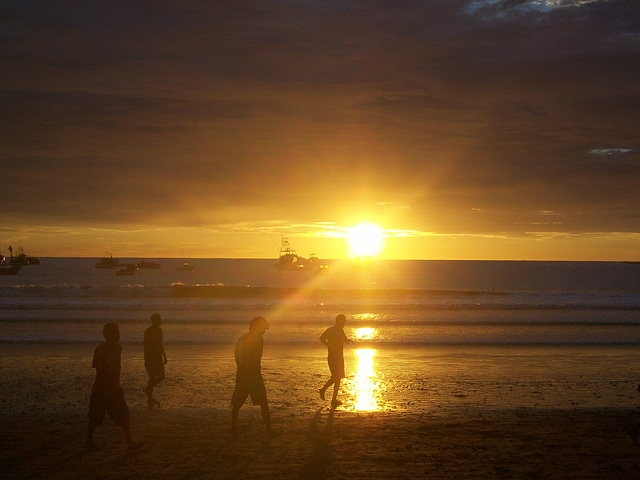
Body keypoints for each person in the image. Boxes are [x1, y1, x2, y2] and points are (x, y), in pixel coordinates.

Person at [87, 322, 142, 451]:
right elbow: (100, 371)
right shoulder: (101, 350)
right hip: (103, 388)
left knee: (124, 415)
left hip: (113, 387)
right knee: (95, 416)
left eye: (118, 333)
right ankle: (89, 441)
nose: (118, 335)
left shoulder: (117, 348)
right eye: (116, 333)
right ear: (108, 335)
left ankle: (129, 442)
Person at [231, 316, 273, 438]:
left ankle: (269, 429)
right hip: (246, 375)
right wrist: (247, 371)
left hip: (254, 375)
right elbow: (240, 358)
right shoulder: (246, 340)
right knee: (238, 403)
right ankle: (233, 428)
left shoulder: (258, 339)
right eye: (264, 328)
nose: (265, 330)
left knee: (263, 402)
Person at [319, 314, 353, 408]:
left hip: (339, 357)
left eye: (344, 322)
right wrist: (329, 346)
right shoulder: (331, 330)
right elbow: (321, 338)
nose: (344, 323)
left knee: (338, 378)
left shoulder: (341, 330)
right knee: (336, 377)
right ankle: (323, 390)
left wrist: (350, 341)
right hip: (333, 357)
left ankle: (334, 399)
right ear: (338, 321)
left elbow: (345, 341)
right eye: (343, 321)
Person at [143, 313, 167, 409]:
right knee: (152, 377)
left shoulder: (159, 331)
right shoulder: (148, 332)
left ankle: (148, 390)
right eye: (159, 319)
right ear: (154, 321)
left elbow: (160, 344)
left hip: (158, 356)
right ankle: (150, 399)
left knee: (161, 376)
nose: (160, 321)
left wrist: (164, 356)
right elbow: (145, 346)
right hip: (151, 357)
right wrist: (146, 359)